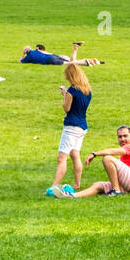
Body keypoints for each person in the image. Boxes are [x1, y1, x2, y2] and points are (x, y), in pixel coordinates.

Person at [46, 64, 92, 197]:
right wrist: (67, 94)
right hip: (82, 126)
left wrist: (65, 95)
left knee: (62, 158)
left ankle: (54, 186)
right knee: (75, 154)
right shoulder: (87, 90)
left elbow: (67, 108)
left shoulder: (72, 90)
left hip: (71, 127)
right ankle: (77, 184)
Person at [66, 125, 130, 197]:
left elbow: (112, 151)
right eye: (120, 137)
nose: (122, 139)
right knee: (97, 185)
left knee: (107, 158)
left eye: (125, 136)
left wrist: (94, 154)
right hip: (128, 184)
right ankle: (71, 196)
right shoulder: (125, 151)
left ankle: (116, 190)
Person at [19, 42, 104, 66]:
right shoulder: (37, 51)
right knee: (71, 61)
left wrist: (23, 54)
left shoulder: (28, 57)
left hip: (50, 60)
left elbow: (20, 61)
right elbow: (47, 52)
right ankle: (75, 48)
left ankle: (87, 61)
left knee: (71, 63)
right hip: (52, 56)